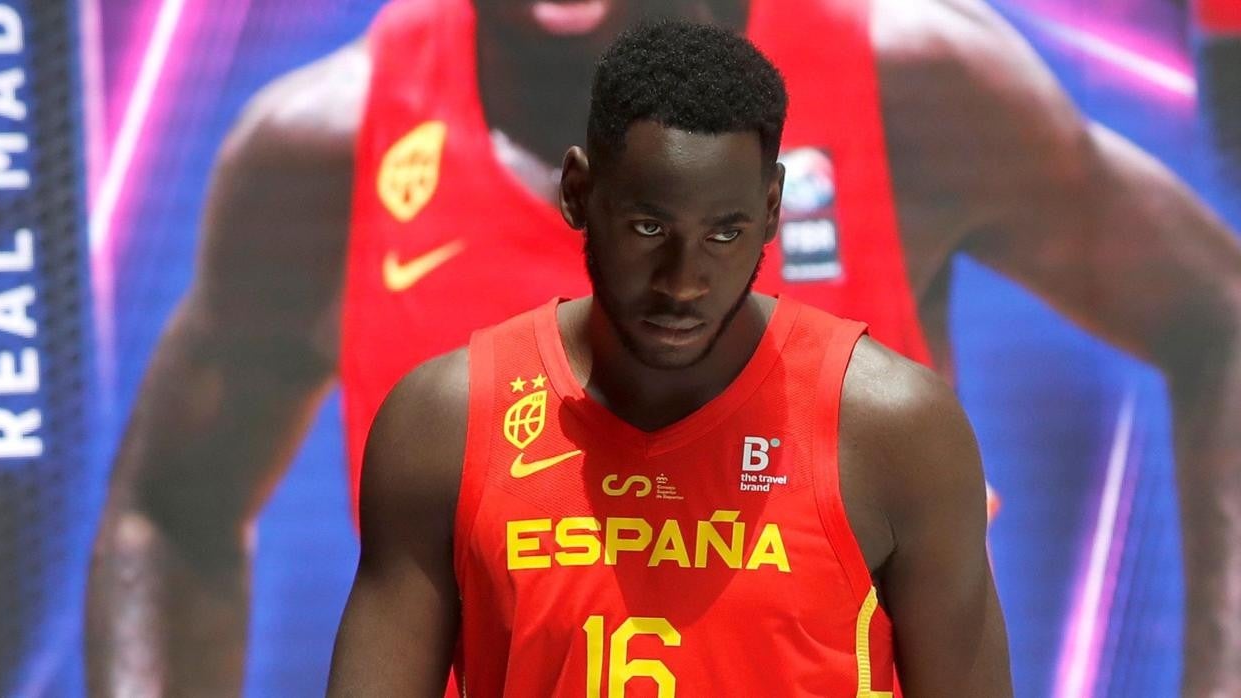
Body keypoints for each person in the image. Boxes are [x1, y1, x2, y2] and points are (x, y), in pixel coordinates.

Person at [86, 0, 1241, 695]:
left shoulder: (907, 79)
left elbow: (1220, 321)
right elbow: (167, 513)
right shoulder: (328, 160)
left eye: (724, 239)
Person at [326, 22, 1012, 695]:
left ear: (772, 210)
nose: (683, 282)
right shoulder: (444, 426)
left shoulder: (896, 432)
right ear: (578, 193)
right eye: (649, 227)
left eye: (724, 234)